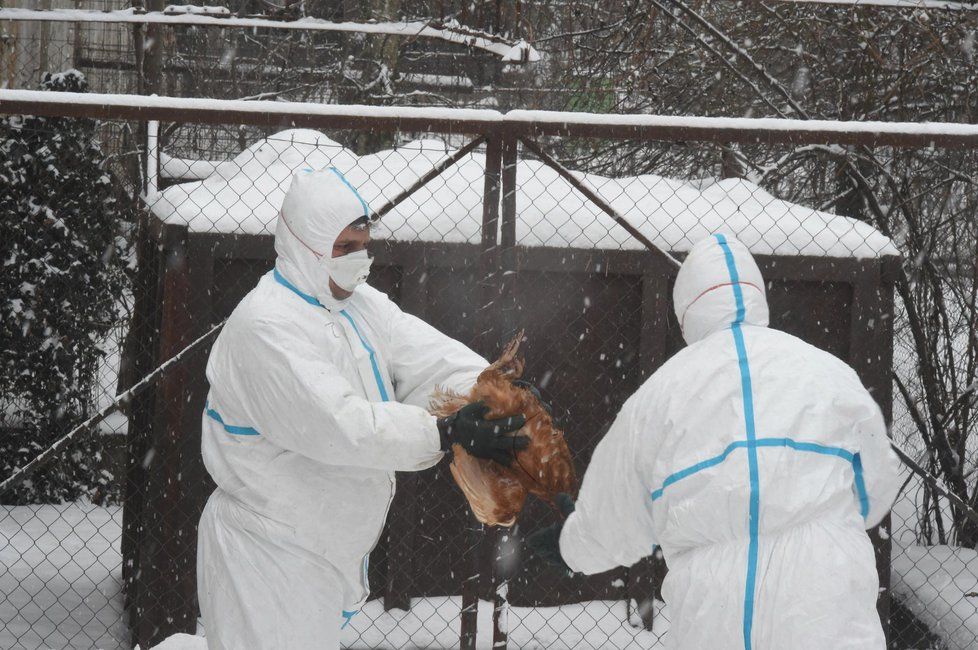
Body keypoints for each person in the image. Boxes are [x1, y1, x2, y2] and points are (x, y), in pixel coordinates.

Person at [196, 168, 528, 650]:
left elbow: (423, 355)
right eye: (343, 248)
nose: (359, 261)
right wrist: (442, 432)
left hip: (316, 552)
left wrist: (488, 394)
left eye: (363, 245)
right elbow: (340, 425)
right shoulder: (266, 328)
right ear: (304, 245)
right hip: (267, 554)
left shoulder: (357, 306)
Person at [527, 233, 902, 650]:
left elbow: (615, 515)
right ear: (758, 297)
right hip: (824, 605)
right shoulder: (827, 374)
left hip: (714, 613)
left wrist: (571, 548)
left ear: (685, 312)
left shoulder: (656, 398)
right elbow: (877, 486)